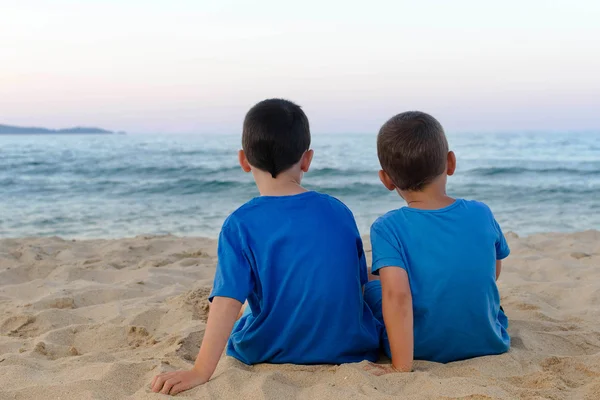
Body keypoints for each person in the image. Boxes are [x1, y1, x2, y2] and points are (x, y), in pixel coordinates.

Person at [151, 99, 381, 395]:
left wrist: (200, 371)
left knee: (246, 307)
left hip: (269, 348)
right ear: (307, 159)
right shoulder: (339, 211)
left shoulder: (240, 223)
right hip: (350, 347)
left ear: (244, 160)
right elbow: (355, 282)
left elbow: (225, 301)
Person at [364, 111, 510, 372]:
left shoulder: (388, 227)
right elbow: (493, 272)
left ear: (386, 179)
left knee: (370, 286)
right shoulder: (481, 212)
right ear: (450, 162)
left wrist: (401, 367)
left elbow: (397, 297)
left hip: (421, 348)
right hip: (489, 340)